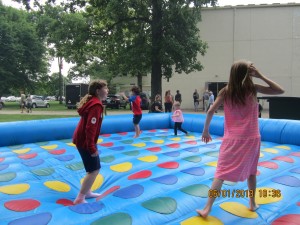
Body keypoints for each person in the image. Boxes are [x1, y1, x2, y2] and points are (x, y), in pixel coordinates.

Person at [196, 60, 284, 218]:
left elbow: (210, 111)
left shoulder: (226, 91)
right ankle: (252, 203)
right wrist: (261, 75)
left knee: (221, 173)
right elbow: (279, 90)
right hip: (251, 138)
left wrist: (205, 130)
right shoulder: (253, 89)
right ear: (247, 74)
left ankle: (207, 208)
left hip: (232, 138)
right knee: (251, 172)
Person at [72, 80, 109, 205]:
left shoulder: (93, 102)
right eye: (105, 88)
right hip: (86, 141)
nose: (108, 90)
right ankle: (80, 198)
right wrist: (92, 147)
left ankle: (87, 192)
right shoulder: (96, 105)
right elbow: (90, 128)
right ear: (98, 91)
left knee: (92, 168)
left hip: (84, 140)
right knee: (94, 170)